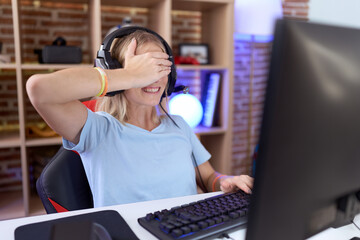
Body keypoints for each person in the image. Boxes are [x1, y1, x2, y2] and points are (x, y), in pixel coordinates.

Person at [26, 29, 254, 208]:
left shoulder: (180, 126)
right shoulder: (97, 129)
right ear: (116, 71)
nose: (153, 78)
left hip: (184, 229)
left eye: (160, 67)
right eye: (143, 68)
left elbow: (208, 178)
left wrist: (225, 181)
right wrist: (129, 76)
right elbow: (40, 89)